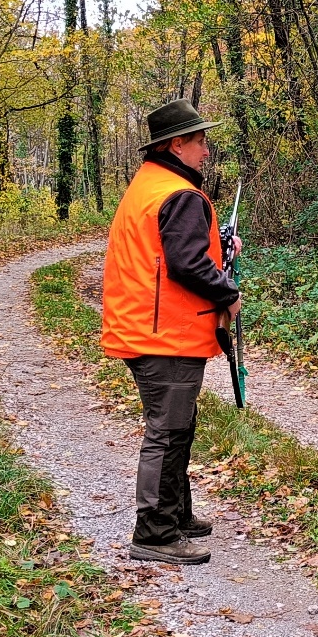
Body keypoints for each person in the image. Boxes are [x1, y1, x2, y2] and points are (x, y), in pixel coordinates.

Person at [101, 99, 242, 565]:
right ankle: (155, 534)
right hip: (165, 334)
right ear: (177, 144)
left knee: (177, 425)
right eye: (200, 141)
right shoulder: (179, 194)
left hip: (149, 327)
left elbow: (168, 253)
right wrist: (226, 291)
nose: (206, 151)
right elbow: (186, 265)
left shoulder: (151, 185)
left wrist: (219, 247)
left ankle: (175, 514)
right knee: (168, 429)